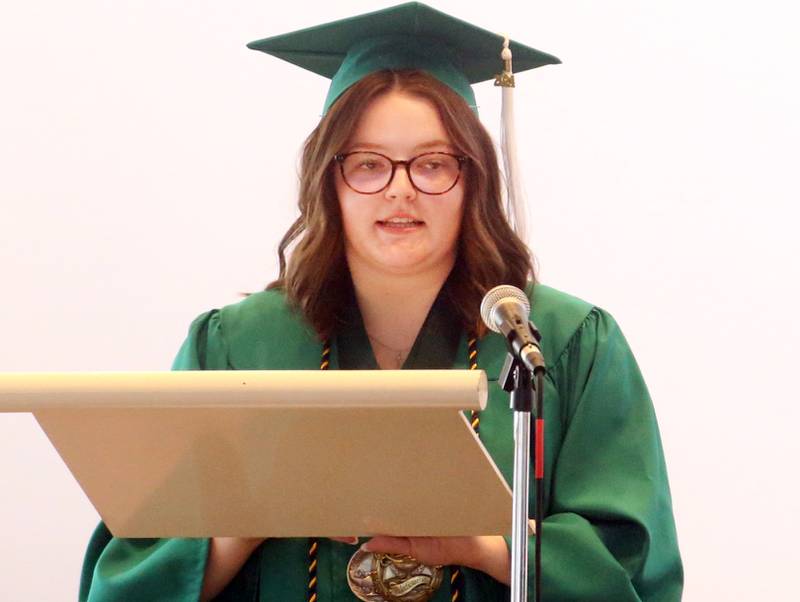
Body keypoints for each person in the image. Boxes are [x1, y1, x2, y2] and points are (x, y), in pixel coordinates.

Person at [79, 3, 683, 601]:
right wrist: (258, 513)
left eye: (433, 163)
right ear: (328, 178)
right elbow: (129, 576)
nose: (399, 188)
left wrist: (485, 547)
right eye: (367, 164)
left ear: (473, 179)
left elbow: (632, 570)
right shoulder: (236, 345)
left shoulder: (561, 340)